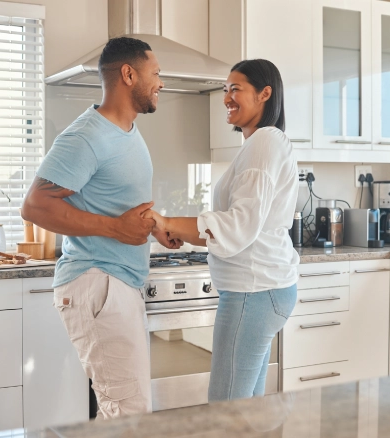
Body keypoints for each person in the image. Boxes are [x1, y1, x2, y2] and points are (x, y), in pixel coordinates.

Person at [21, 37, 180, 420]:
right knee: (128, 414)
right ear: (128, 74)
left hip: (117, 283)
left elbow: (115, 205)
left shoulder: (126, 131)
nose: (161, 82)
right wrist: (115, 228)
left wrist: (153, 227)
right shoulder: (87, 135)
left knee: (125, 412)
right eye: (155, 73)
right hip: (98, 281)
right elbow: (35, 206)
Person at [145, 59, 299, 401]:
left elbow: (239, 224)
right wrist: (181, 230)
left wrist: (169, 222)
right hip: (261, 288)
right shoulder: (260, 144)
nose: (227, 97)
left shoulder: (264, 143)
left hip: (254, 291)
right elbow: (241, 219)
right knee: (244, 409)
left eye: (236, 89)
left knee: (226, 409)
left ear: (265, 94)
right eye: (225, 90)